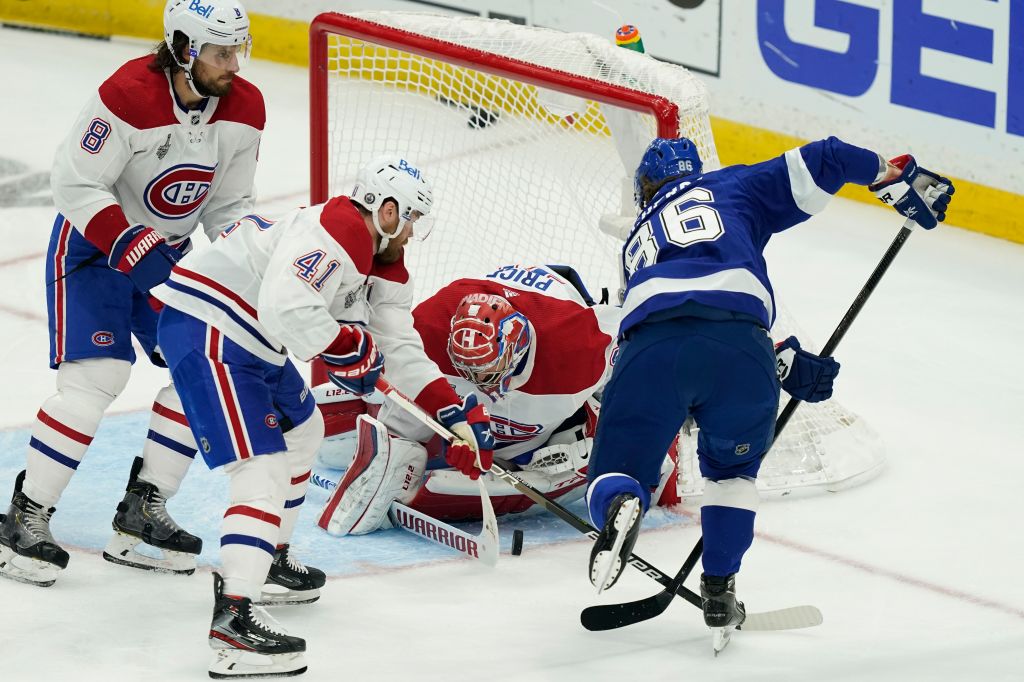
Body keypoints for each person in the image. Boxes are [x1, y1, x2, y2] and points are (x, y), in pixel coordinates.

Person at [584, 136, 954, 645]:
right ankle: (720, 589)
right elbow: (827, 157)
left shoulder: (636, 242)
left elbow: (684, 306)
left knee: (618, 469)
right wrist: (891, 176)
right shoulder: (731, 184)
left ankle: (622, 501)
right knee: (731, 476)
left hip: (653, 346)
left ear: (644, 189)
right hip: (743, 346)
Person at [153, 156, 493, 677]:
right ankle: (234, 621)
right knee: (261, 470)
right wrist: (343, 345)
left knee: (304, 432)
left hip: (250, 336)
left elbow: (397, 343)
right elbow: (287, 308)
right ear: (386, 210)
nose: (414, 232)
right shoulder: (337, 230)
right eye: (413, 219)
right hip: (212, 325)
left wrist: (449, 412)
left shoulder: (378, 258)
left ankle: (267, 563)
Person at [0, 0, 265, 587]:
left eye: (238, 49)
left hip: (168, 256)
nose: (234, 64)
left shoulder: (244, 108)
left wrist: (245, 258)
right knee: (95, 380)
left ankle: (143, 514)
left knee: (202, 368)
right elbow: (74, 182)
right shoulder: (124, 97)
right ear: (183, 49)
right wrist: (129, 245)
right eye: (222, 53)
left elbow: (228, 206)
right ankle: (25, 517)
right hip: (94, 249)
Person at [314, 263, 678, 532]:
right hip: (478, 322)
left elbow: (653, 343)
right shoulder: (427, 329)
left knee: (593, 437)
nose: (485, 389)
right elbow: (393, 381)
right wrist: (448, 426)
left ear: (518, 348)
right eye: (472, 376)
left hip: (555, 325)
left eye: (490, 375)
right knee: (368, 426)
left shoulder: (581, 343)